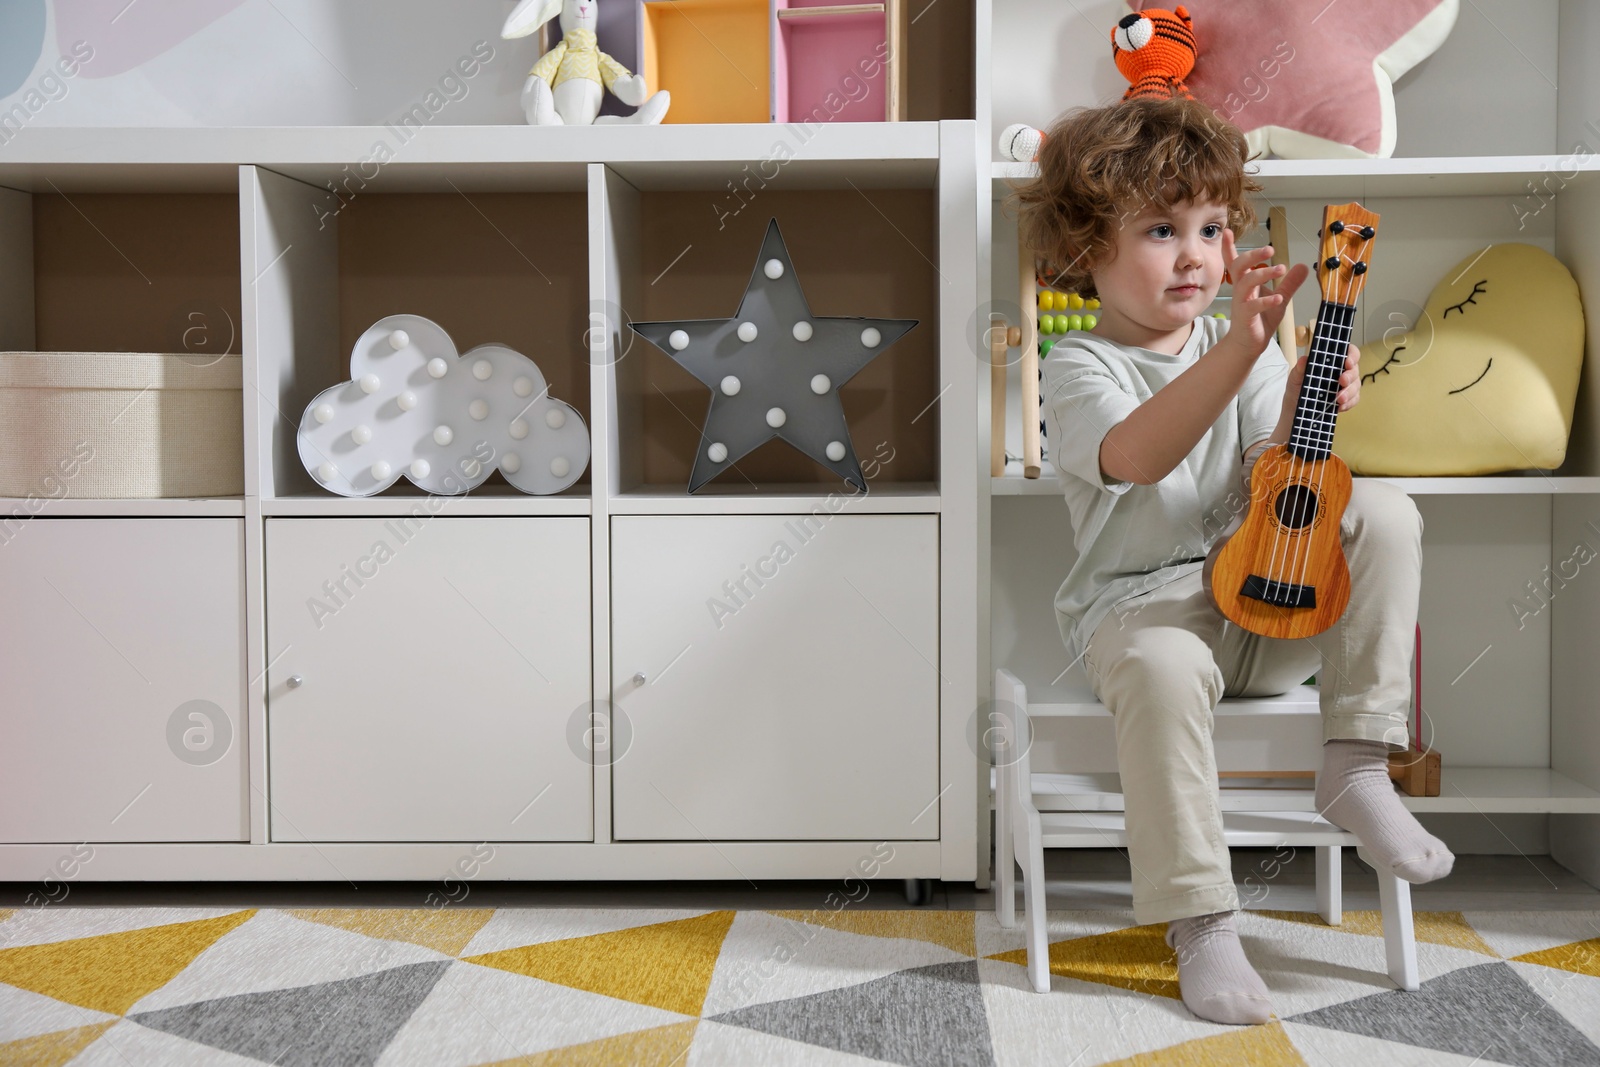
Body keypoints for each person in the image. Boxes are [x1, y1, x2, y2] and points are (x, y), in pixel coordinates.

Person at [1008, 96, 1454, 1026]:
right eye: (1162, 230)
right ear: (1089, 251)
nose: (1195, 254)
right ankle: (1204, 922)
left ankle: (1358, 762)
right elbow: (1137, 456)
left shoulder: (1241, 346)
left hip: (1267, 606)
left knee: (1381, 507)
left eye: (1211, 228)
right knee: (1166, 662)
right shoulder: (1078, 361)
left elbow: (1275, 478)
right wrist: (1247, 349)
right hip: (1150, 620)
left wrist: (1303, 400)